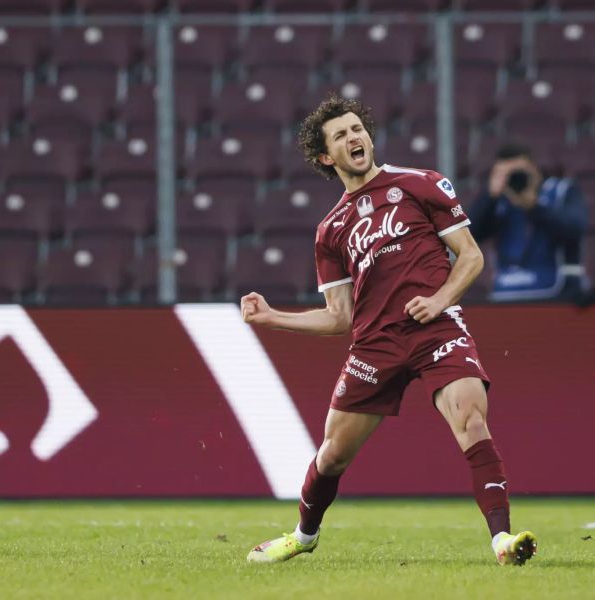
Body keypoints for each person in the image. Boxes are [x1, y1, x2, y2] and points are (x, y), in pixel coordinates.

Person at [240, 95, 537, 566]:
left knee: (471, 420)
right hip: (374, 345)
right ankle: (304, 534)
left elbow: (472, 256)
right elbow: (339, 316)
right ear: (325, 156)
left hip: (436, 329)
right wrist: (273, 316)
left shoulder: (422, 184)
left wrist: (440, 300)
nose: (354, 137)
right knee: (333, 454)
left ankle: (502, 540)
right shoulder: (330, 230)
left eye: (357, 128)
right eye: (340, 135)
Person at [469, 142, 588, 302]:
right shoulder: (498, 202)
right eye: (508, 174)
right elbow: (469, 236)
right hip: (506, 292)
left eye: (519, 172)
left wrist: (534, 206)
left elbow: (575, 229)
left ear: (533, 168)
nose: (515, 179)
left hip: (557, 293)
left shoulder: (561, 191)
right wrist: (489, 197)